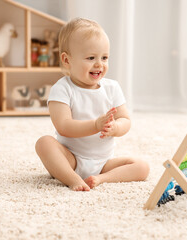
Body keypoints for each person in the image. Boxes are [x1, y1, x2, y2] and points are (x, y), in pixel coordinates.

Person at [35, 18, 150, 191]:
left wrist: (116, 127)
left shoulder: (112, 88)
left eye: (104, 57)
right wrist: (96, 125)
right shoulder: (62, 89)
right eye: (91, 58)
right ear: (67, 60)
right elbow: (64, 126)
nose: (99, 64)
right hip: (71, 159)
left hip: (104, 162)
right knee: (44, 143)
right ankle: (71, 177)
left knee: (142, 167)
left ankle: (100, 179)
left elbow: (125, 119)